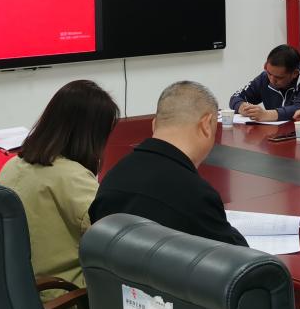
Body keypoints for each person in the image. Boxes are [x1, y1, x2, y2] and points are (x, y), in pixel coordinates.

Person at [0, 80, 120, 309]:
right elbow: (114, 241)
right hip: (64, 305)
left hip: (17, 299)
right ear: (92, 134)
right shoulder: (72, 178)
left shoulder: (13, 165)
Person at [89, 80, 245, 245]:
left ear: (154, 124)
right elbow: (240, 256)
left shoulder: (112, 179)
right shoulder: (196, 195)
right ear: (206, 125)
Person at [229, 44, 300, 122]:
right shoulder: (265, 77)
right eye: (269, 73)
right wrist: (242, 107)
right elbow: (236, 97)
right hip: (278, 133)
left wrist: (266, 115)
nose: (272, 80)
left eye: (279, 77)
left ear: (294, 73)